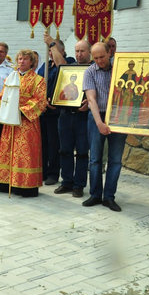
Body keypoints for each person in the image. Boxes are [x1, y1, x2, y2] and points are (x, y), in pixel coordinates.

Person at [0, 50, 47, 196]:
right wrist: (5, 110)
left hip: (26, 122)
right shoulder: (10, 77)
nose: (21, 61)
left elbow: (40, 100)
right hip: (10, 122)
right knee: (8, 151)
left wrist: (21, 110)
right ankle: (6, 182)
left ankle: (25, 185)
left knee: (25, 153)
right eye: (20, 59)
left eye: (25, 59)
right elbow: (1, 97)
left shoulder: (38, 80)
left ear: (32, 62)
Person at [82, 42, 126, 212]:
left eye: (102, 56)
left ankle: (109, 197)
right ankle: (94, 195)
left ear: (110, 53)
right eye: (96, 57)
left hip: (118, 117)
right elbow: (91, 99)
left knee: (115, 160)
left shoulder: (120, 69)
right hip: (96, 116)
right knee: (95, 159)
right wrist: (99, 123)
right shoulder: (90, 72)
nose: (99, 60)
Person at [55, 40, 92, 198]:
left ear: (89, 52)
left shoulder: (93, 69)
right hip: (65, 115)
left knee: (82, 152)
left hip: (83, 117)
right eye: (77, 51)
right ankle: (67, 182)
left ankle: (79, 185)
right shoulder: (68, 68)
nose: (79, 54)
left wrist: (89, 103)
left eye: (82, 51)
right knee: (64, 150)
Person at [39, 33, 75, 185]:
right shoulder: (46, 65)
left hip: (57, 111)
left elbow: (64, 69)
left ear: (62, 50)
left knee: (55, 144)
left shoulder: (69, 61)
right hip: (43, 109)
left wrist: (52, 44)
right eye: (49, 50)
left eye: (53, 50)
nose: (51, 53)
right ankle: (43, 171)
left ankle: (53, 173)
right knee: (44, 143)